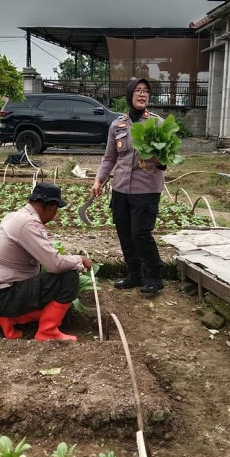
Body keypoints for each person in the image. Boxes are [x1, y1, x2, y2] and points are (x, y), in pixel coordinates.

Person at [0, 182, 93, 341]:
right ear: (51, 207)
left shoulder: (12, 216)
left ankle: (6, 319)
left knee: (49, 288)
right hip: (5, 295)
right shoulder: (29, 223)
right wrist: (80, 259)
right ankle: (47, 331)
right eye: (56, 210)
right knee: (69, 277)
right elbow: (55, 264)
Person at [91, 77, 166, 297]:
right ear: (129, 95)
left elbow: (166, 159)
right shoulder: (117, 125)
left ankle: (155, 276)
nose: (143, 94)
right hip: (121, 188)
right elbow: (109, 157)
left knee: (140, 233)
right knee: (124, 233)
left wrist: (156, 158)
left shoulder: (157, 123)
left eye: (146, 91)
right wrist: (99, 180)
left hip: (147, 189)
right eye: (138, 91)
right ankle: (135, 274)